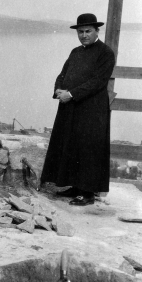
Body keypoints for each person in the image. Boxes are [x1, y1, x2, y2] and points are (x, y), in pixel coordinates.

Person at [40, 13, 116, 206]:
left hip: (92, 109)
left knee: (88, 148)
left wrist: (71, 94)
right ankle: (75, 186)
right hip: (71, 107)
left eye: (88, 31)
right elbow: (62, 73)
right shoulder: (75, 52)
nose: (84, 35)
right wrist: (58, 89)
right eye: (80, 32)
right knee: (71, 145)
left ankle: (88, 193)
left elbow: (98, 82)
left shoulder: (105, 53)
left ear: (97, 31)